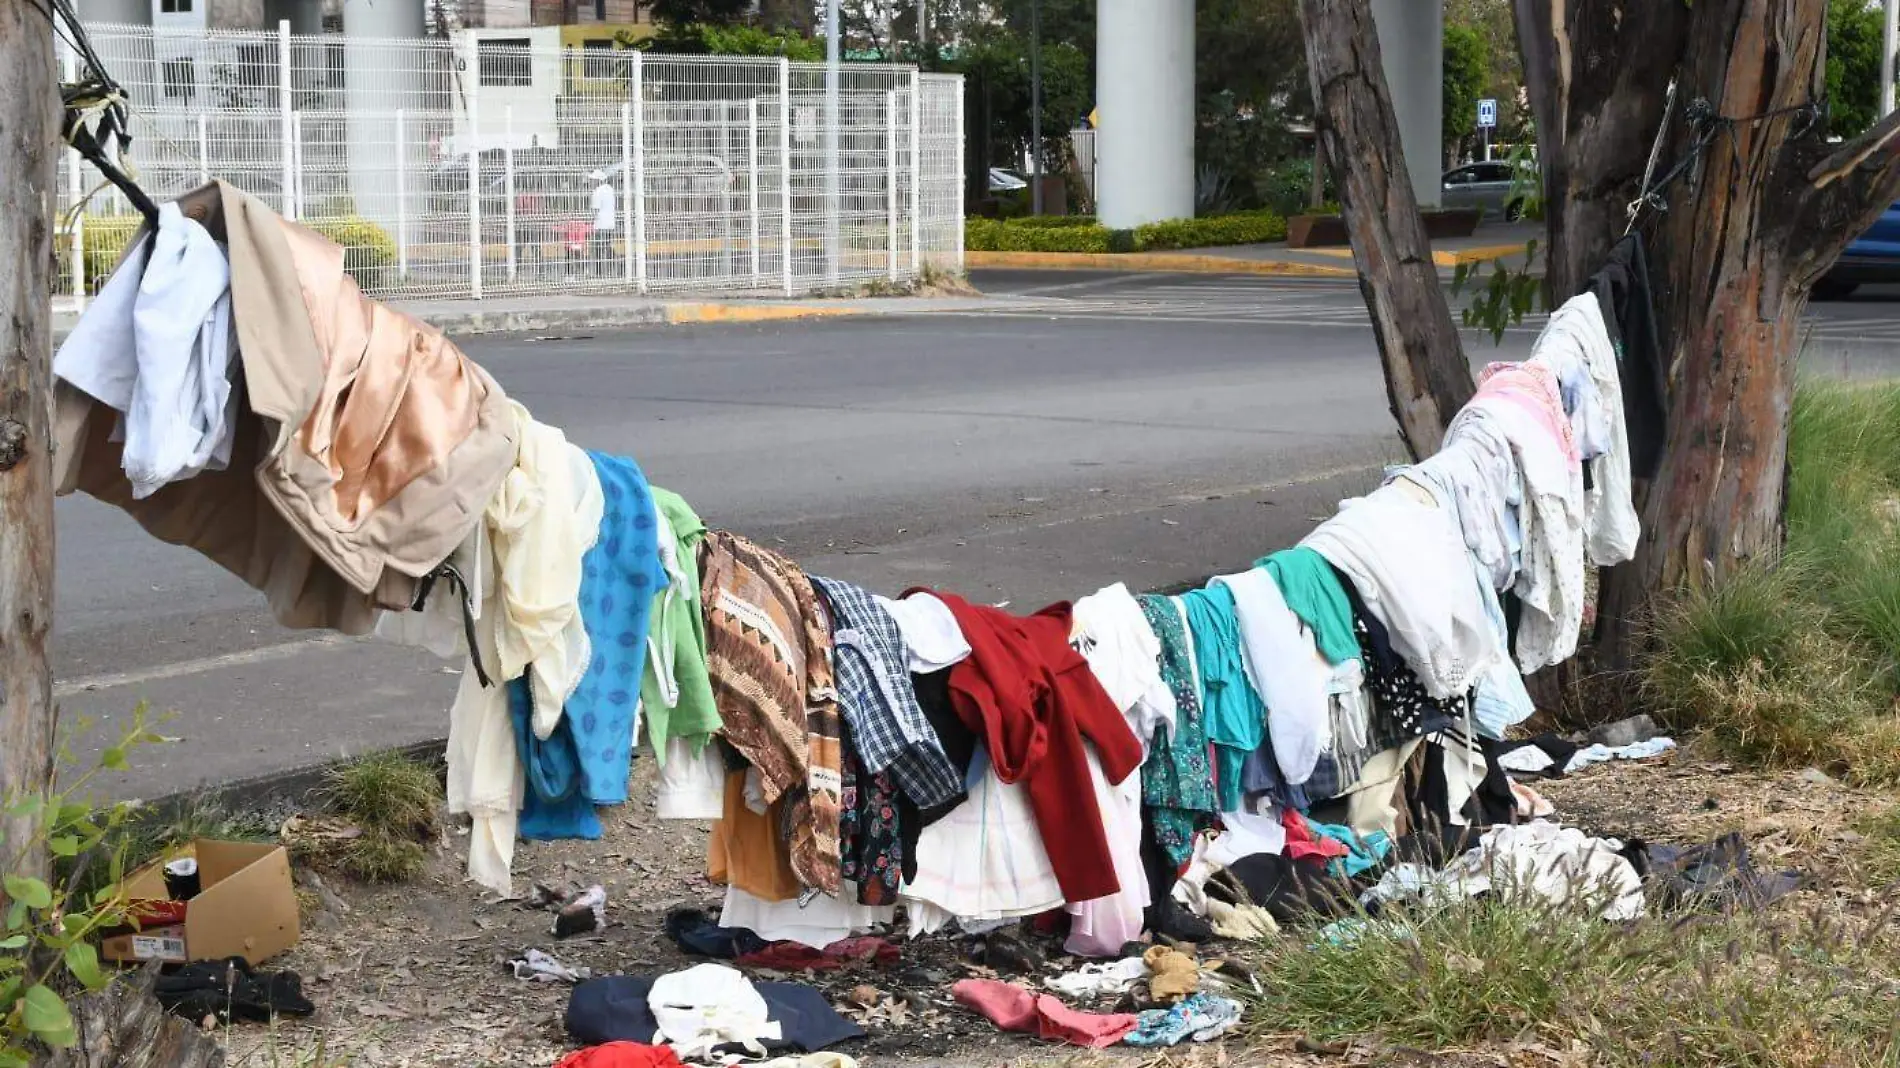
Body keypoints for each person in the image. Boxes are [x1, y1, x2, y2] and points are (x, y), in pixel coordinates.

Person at [588, 170, 617, 278]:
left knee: (597, 249)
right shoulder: (610, 189)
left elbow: (595, 210)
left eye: (592, 180)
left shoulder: (597, 192)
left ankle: (599, 273)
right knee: (608, 246)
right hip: (610, 223)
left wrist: (590, 222)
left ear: (597, 180)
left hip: (600, 224)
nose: (591, 182)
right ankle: (612, 268)